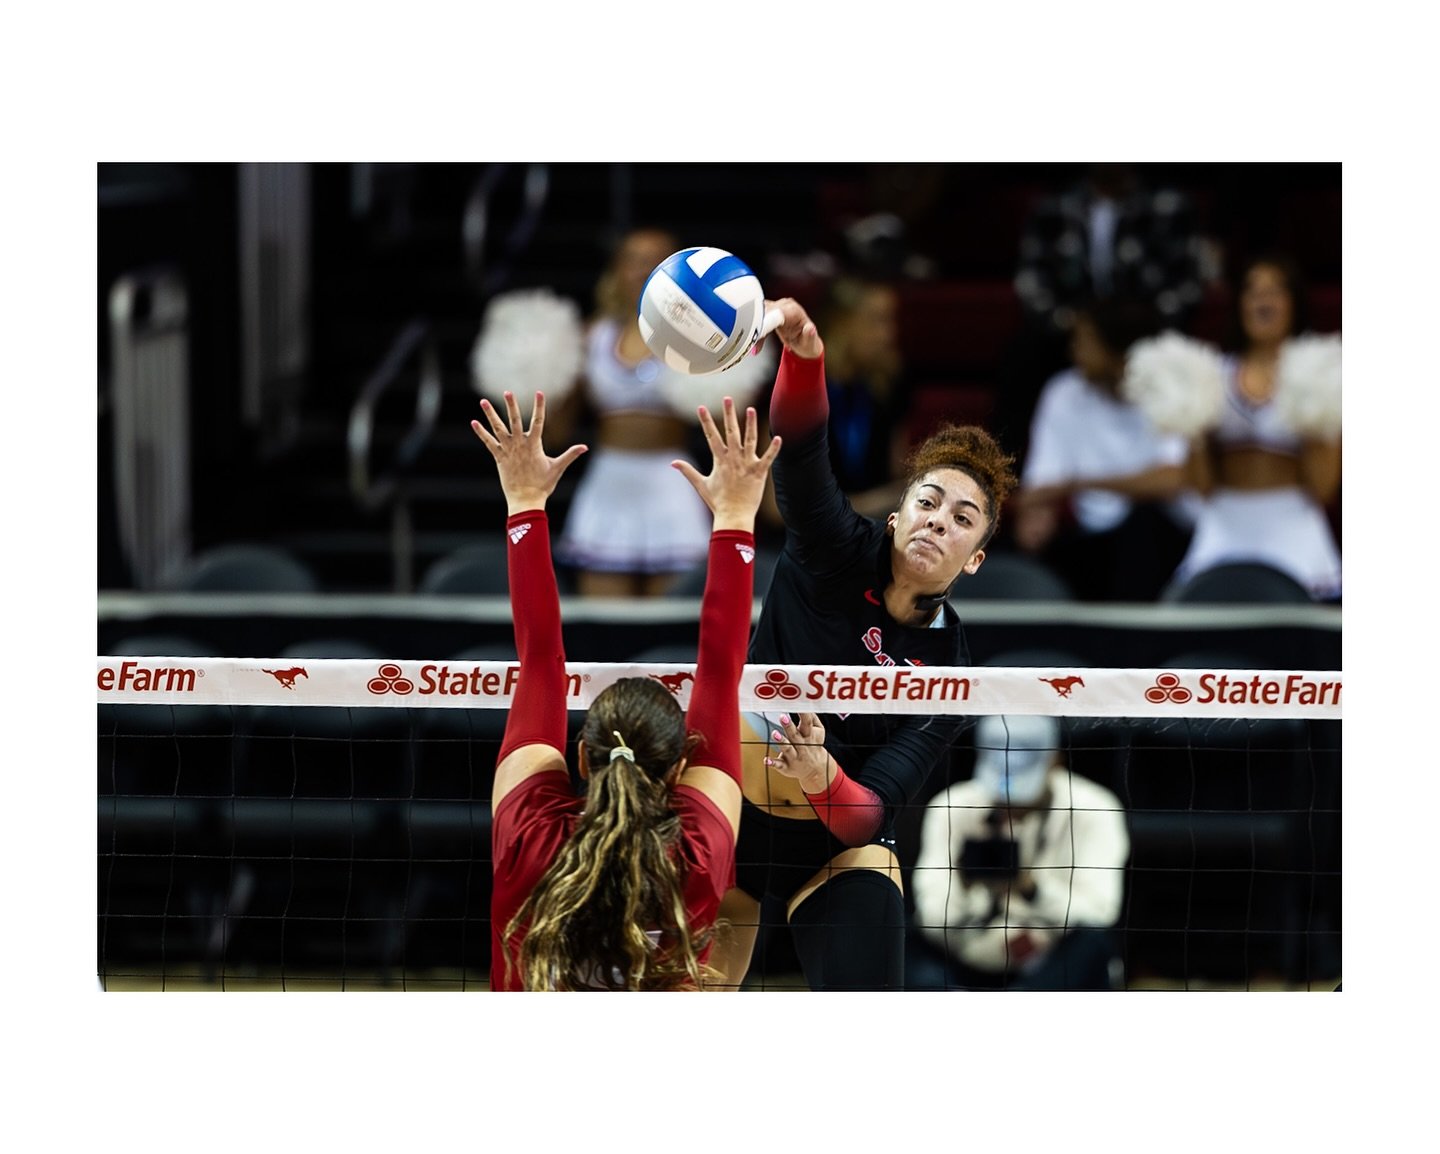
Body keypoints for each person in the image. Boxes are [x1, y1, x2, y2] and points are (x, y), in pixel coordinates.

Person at [708, 297, 1019, 992]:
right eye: (929, 501)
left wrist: (822, 777)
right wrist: (805, 355)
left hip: (830, 844)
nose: (939, 521)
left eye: (963, 519)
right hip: (729, 819)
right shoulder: (833, 551)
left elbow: (871, 811)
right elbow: (802, 458)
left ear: (974, 558)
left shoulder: (951, 672)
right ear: (896, 514)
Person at [472, 389, 781, 990]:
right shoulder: (695, 850)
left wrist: (525, 504)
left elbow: (539, 662)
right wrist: (738, 517)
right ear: (678, 771)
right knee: (742, 913)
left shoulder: (530, 833)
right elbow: (720, 669)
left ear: (582, 757)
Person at [999, 163, 1207, 470]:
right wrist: (1076, 327)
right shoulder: (1055, 204)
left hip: (1146, 332)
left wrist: (1137, 331)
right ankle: (1007, 471)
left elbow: (1187, 284)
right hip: (1067, 330)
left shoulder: (1167, 204)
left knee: (1181, 361)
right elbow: (1031, 282)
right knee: (1019, 357)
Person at [549, 226, 716, 597]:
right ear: (617, 270)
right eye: (634, 261)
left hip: (672, 482)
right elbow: (556, 433)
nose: (644, 270)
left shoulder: (702, 338)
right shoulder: (590, 337)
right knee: (604, 631)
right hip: (609, 483)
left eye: (657, 262)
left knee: (672, 628)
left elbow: (723, 421)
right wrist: (542, 375)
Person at [906, 713, 1130, 990]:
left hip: (1051, 963)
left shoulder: (1096, 810)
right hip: (964, 958)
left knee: (1092, 945)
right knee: (906, 941)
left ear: (1054, 762)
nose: (1010, 801)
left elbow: (1099, 912)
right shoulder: (952, 807)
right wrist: (964, 888)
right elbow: (931, 917)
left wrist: (1031, 889)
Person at [1170, 253, 1342, 600]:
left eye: (1275, 291)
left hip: (1293, 524)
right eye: (1253, 291)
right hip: (1223, 522)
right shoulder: (1208, 375)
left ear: (1294, 303)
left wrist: (1311, 410)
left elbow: (1323, 488)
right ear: (1239, 304)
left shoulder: (1321, 374)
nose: (1263, 301)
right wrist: (1195, 428)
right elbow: (1200, 487)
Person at [1008, 296, 1197, 602]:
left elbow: (1171, 479)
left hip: (1166, 538)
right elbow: (1043, 484)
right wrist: (1036, 516)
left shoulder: (1171, 392)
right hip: (1090, 537)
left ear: (1117, 354)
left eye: (1085, 342)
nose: (1074, 351)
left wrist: (1081, 483)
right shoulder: (1063, 392)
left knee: (1143, 525)